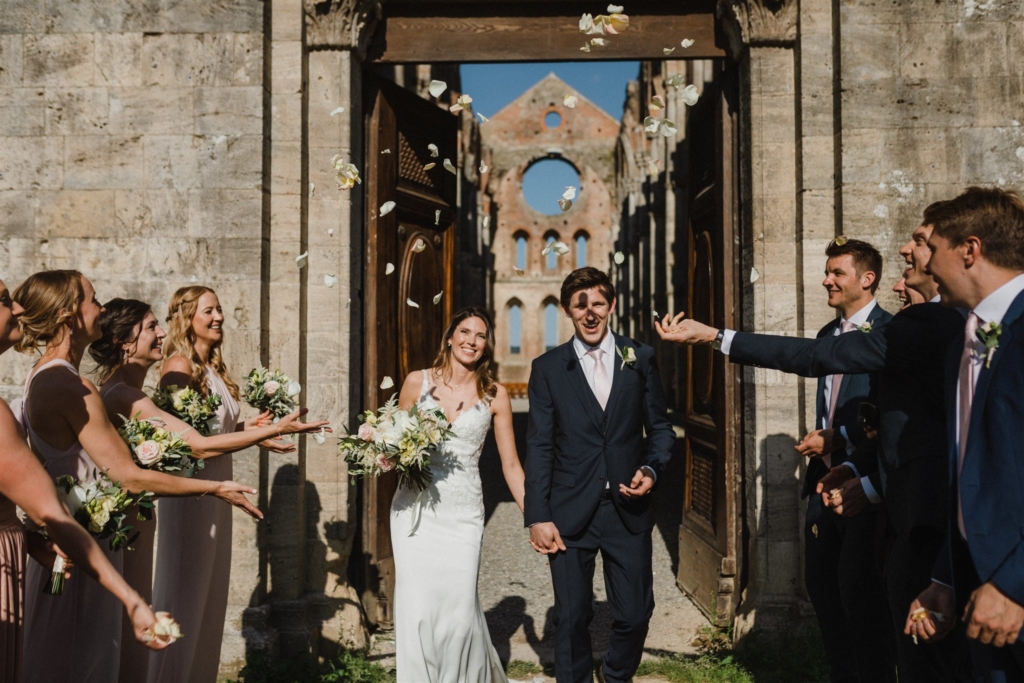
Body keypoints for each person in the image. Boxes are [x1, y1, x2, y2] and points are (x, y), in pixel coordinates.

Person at [656, 218, 973, 682]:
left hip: (913, 512)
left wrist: (716, 337)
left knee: (893, 630)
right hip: (853, 490)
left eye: (921, 243)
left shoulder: (927, 324)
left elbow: (918, 426)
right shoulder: (877, 326)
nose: (906, 251)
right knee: (837, 599)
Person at [12, 270, 261, 683]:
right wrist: (216, 487)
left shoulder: (52, 376)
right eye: (92, 299)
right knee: (79, 661)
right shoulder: (69, 385)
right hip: (81, 549)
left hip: (75, 543)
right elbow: (128, 477)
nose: (101, 308)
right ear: (67, 315)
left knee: (66, 655)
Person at [87, 298, 330, 683]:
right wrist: (276, 429)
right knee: (130, 628)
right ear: (124, 343)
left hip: (141, 515)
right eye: (151, 327)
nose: (162, 333)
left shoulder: (134, 391)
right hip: (130, 520)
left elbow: (189, 439)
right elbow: (196, 444)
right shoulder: (120, 393)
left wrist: (252, 431)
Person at [0, 277, 171, 683]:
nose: (18, 309)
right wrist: (132, 599)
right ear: (68, 313)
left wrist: (27, 537)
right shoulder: (64, 384)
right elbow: (51, 510)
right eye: (5, 301)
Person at [525, 267, 675, 683]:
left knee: (634, 612)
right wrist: (537, 516)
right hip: (569, 510)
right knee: (572, 617)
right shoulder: (548, 369)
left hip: (628, 507)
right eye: (580, 305)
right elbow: (538, 446)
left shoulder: (639, 357)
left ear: (610, 305)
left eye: (597, 303)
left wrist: (650, 468)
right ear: (567, 311)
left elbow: (659, 428)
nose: (590, 313)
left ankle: (614, 676)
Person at [906, 187, 1024, 683]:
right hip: (978, 587)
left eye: (934, 249)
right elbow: (972, 472)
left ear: (970, 250)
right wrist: (946, 576)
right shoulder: (965, 336)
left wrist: (1015, 585)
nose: (924, 263)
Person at [150, 285, 280, 683]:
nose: (219, 317)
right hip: (191, 495)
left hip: (214, 493)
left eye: (220, 309)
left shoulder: (210, 369)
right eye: (209, 311)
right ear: (187, 318)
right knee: (185, 597)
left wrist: (248, 428)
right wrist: (253, 437)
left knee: (208, 600)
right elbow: (186, 444)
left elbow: (208, 429)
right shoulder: (177, 368)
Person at [390, 307, 526, 683]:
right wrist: (380, 452)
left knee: (459, 610)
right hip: (414, 509)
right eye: (464, 332)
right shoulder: (416, 382)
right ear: (450, 338)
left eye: (480, 336)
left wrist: (536, 517)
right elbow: (395, 443)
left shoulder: (495, 395)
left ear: (486, 346)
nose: (471, 341)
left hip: (463, 512)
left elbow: (511, 465)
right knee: (417, 608)